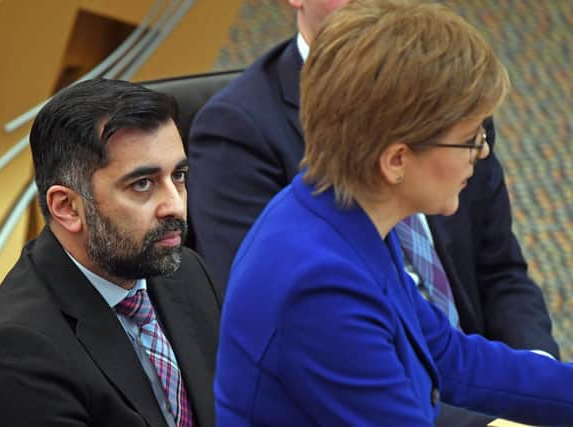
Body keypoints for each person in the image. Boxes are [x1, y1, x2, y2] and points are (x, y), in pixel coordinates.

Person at [189, 2, 559, 422]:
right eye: (470, 140)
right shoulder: (318, 287)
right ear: (396, 160)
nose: (483, 151)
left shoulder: (348, 217)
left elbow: (451, 358)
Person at [0, 79, 221, 427]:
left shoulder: (184, 271)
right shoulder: (14, 354)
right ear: (67, 207)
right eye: (142, 184)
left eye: (179, 176)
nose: (175, 206)